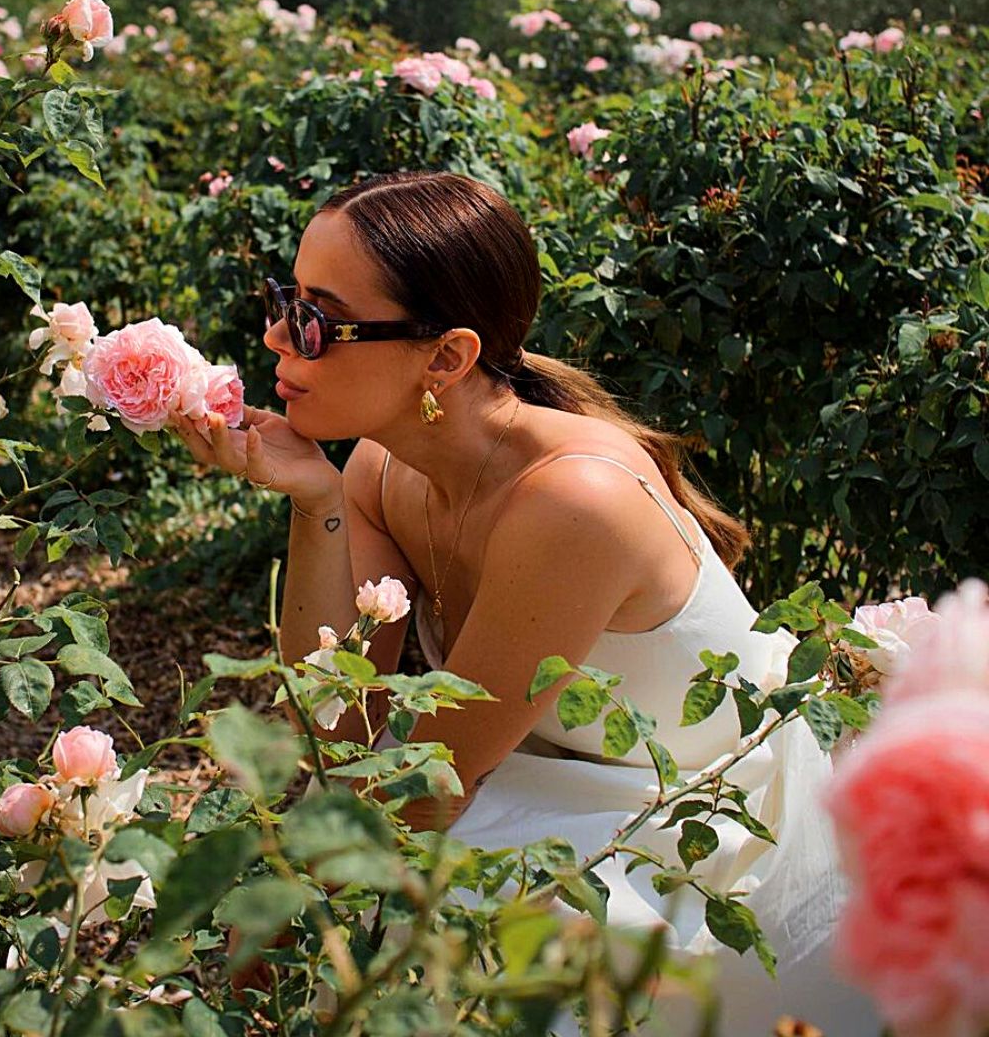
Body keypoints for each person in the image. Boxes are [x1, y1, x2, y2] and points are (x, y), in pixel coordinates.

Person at [174, 169, 880, 1035]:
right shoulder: (379, 469)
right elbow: (336, 731)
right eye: (287, 299)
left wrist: (272, 930)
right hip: (541, 787)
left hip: (687, 838)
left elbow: (426, 786)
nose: (278, 334)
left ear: (446, 357)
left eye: (318, 319)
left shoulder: (572, 503)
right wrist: (312, 502)